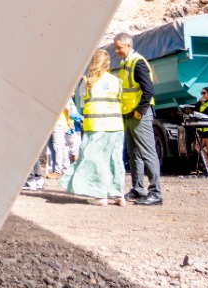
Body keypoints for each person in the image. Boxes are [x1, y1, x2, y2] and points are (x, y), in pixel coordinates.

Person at [66, 50, 127, 205]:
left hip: (96, 125)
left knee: (97, 159)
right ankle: (118, 194)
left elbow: (80, 105)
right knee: (115, 159)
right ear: (108, 63)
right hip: (116, 125)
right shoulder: (117, 81)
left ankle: (100, 195)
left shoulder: (87, 82)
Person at [113, 35, 162, 206]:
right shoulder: (125, 63)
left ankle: (156, 193)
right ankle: (138, 189)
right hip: (130, 114)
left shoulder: (137, 62)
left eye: (119, 47)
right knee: (134, 153)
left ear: (128, 45)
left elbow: (149, 90)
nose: (117, 51)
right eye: (115, 47)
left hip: (139, 114)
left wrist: (140, 110)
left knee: (148, 153)